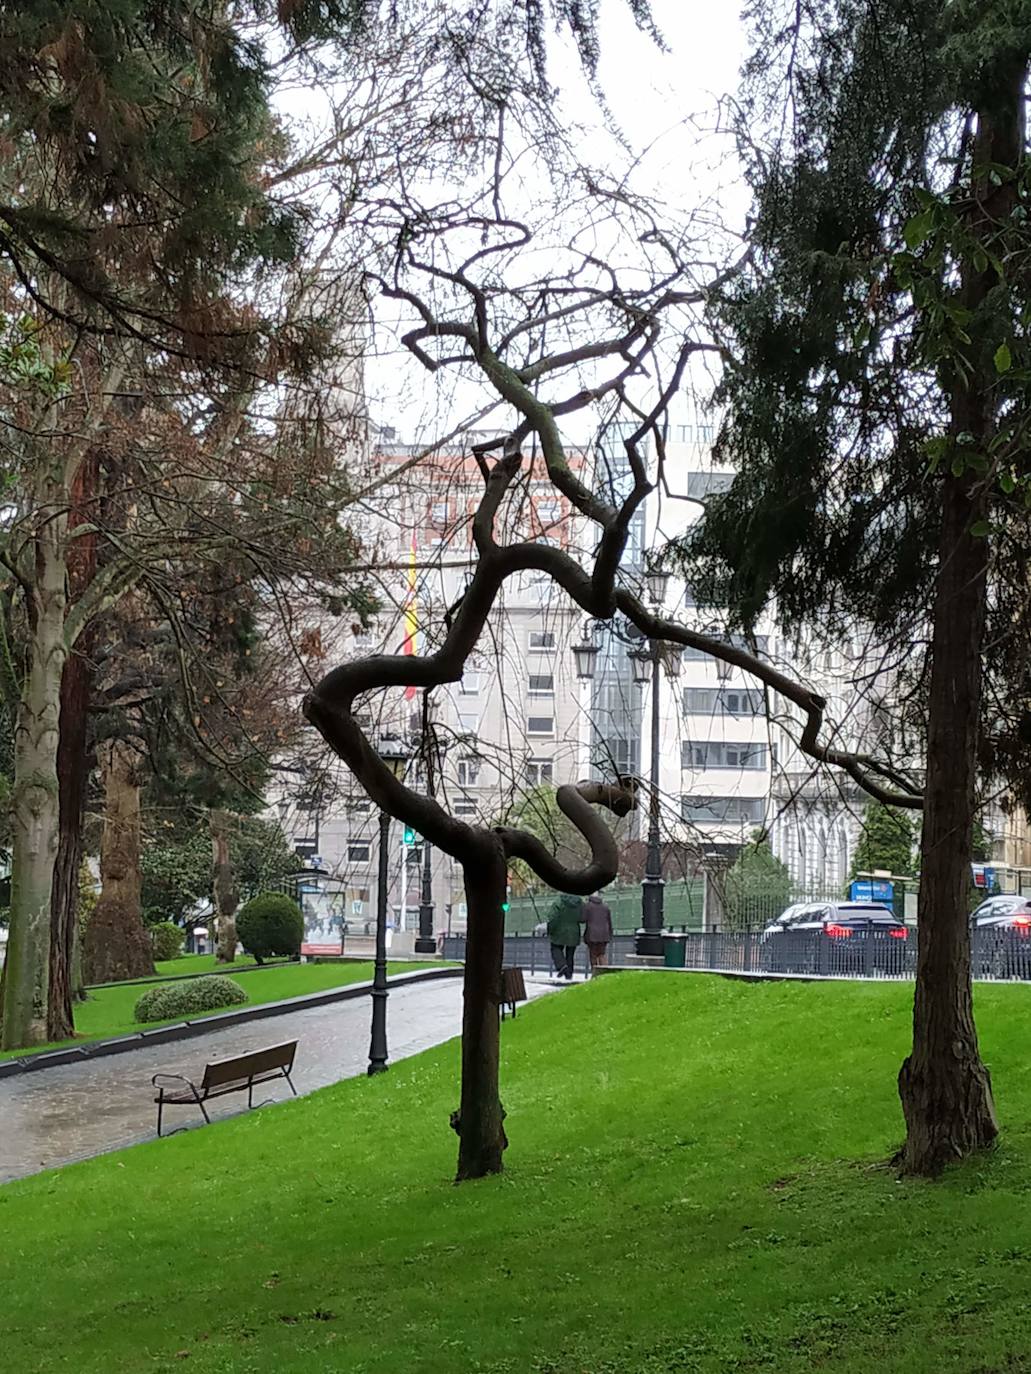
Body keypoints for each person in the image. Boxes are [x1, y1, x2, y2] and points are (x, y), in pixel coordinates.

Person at [546, 891, 583, 981]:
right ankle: (569, 974)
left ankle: (562, 966)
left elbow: (552, 917)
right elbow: (582, 917)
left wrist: (550, 930)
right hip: (574, 932)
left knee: (555, 948)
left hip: (559, 931)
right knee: (570, 954)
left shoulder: (558, 902)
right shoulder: (580, 903)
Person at [583, 891, 613, 973]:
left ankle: (595, 973)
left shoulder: (588, 906)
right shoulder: (606, 906)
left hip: (592, 935)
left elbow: (582, 919)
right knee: (602, 954)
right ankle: (605, 972)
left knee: (593, 955)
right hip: (604, 935)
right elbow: (609, 921)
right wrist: (610, 934)